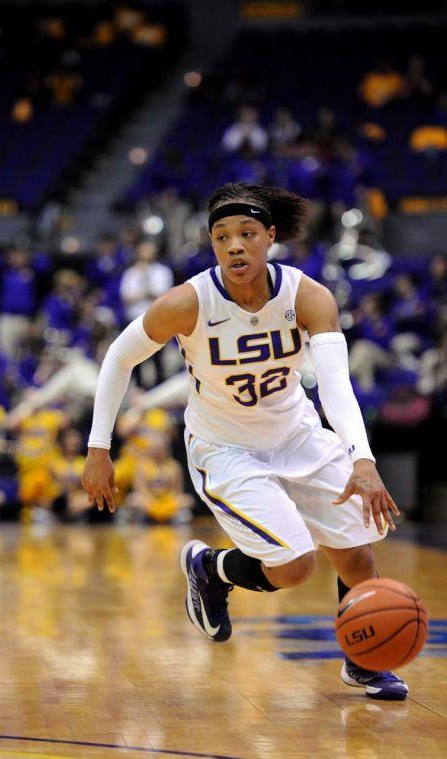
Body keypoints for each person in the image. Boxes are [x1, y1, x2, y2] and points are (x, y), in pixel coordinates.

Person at [83, 181, 407, 701]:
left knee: (356, 557)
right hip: (225, 448)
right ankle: (210, 567)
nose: (234, 245)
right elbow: (119, 358)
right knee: (295, 567)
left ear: (270, 237)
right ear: (212, 244)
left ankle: (364, 663)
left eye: (247, 234)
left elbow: (335, 385)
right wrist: (99, 447)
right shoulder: (187, 302)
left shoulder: (309, 296)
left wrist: (361, 458)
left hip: (297, 434)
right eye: (222, 236)